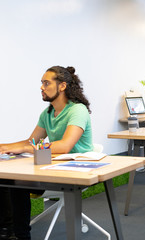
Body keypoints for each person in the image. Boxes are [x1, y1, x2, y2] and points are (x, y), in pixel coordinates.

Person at [0, 66, 93, 240]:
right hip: (53, 167)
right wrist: (4, 146)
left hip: (79, 170)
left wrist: (28, 148)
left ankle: (20, 234)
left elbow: (65, 146)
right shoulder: (48, 113)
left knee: (18, 184)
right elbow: (32, 142)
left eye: (46, 83)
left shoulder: (77, 110)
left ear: (62, 86)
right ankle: (10, 232)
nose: (41, 87)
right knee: (8, 179)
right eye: (41, 83)